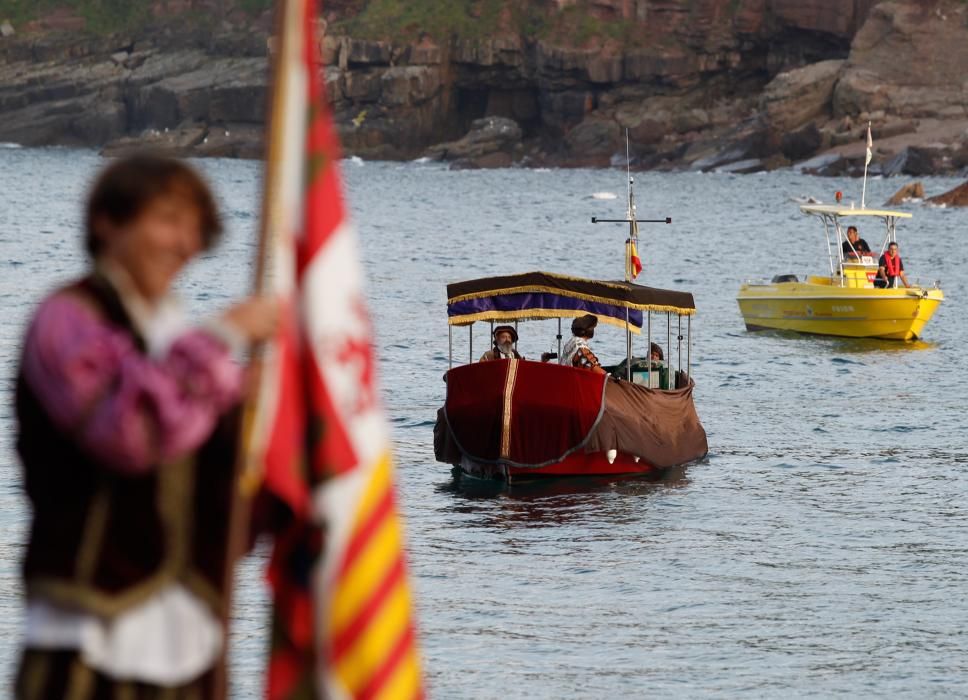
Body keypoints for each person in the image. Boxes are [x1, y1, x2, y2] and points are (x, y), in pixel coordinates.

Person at [14, 155, 278, 699]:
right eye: (167, 219)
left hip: (193, 647)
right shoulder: (67, 320)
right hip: (88, 640)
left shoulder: (187, 343)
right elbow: (128, 435)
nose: (185, 243)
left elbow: (225, 504)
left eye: (194, 228)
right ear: (107, 222)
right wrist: (223, 336)